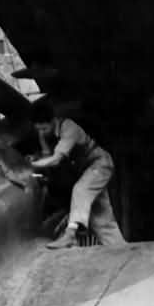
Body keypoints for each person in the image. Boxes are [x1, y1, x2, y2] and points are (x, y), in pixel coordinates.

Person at [29, 96, 125, 248]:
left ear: (53, 120)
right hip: (89, 170)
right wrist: (42, 143)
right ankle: (122, 250)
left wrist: (30, 166)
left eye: (44, 128)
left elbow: (55, 160)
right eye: (38, 130)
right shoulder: (49, 133)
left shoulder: (69, 128)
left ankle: (70, 235)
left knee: (80, 190)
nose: (42, 132)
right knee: (101, 221)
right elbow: (48, 157)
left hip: (99, 164)